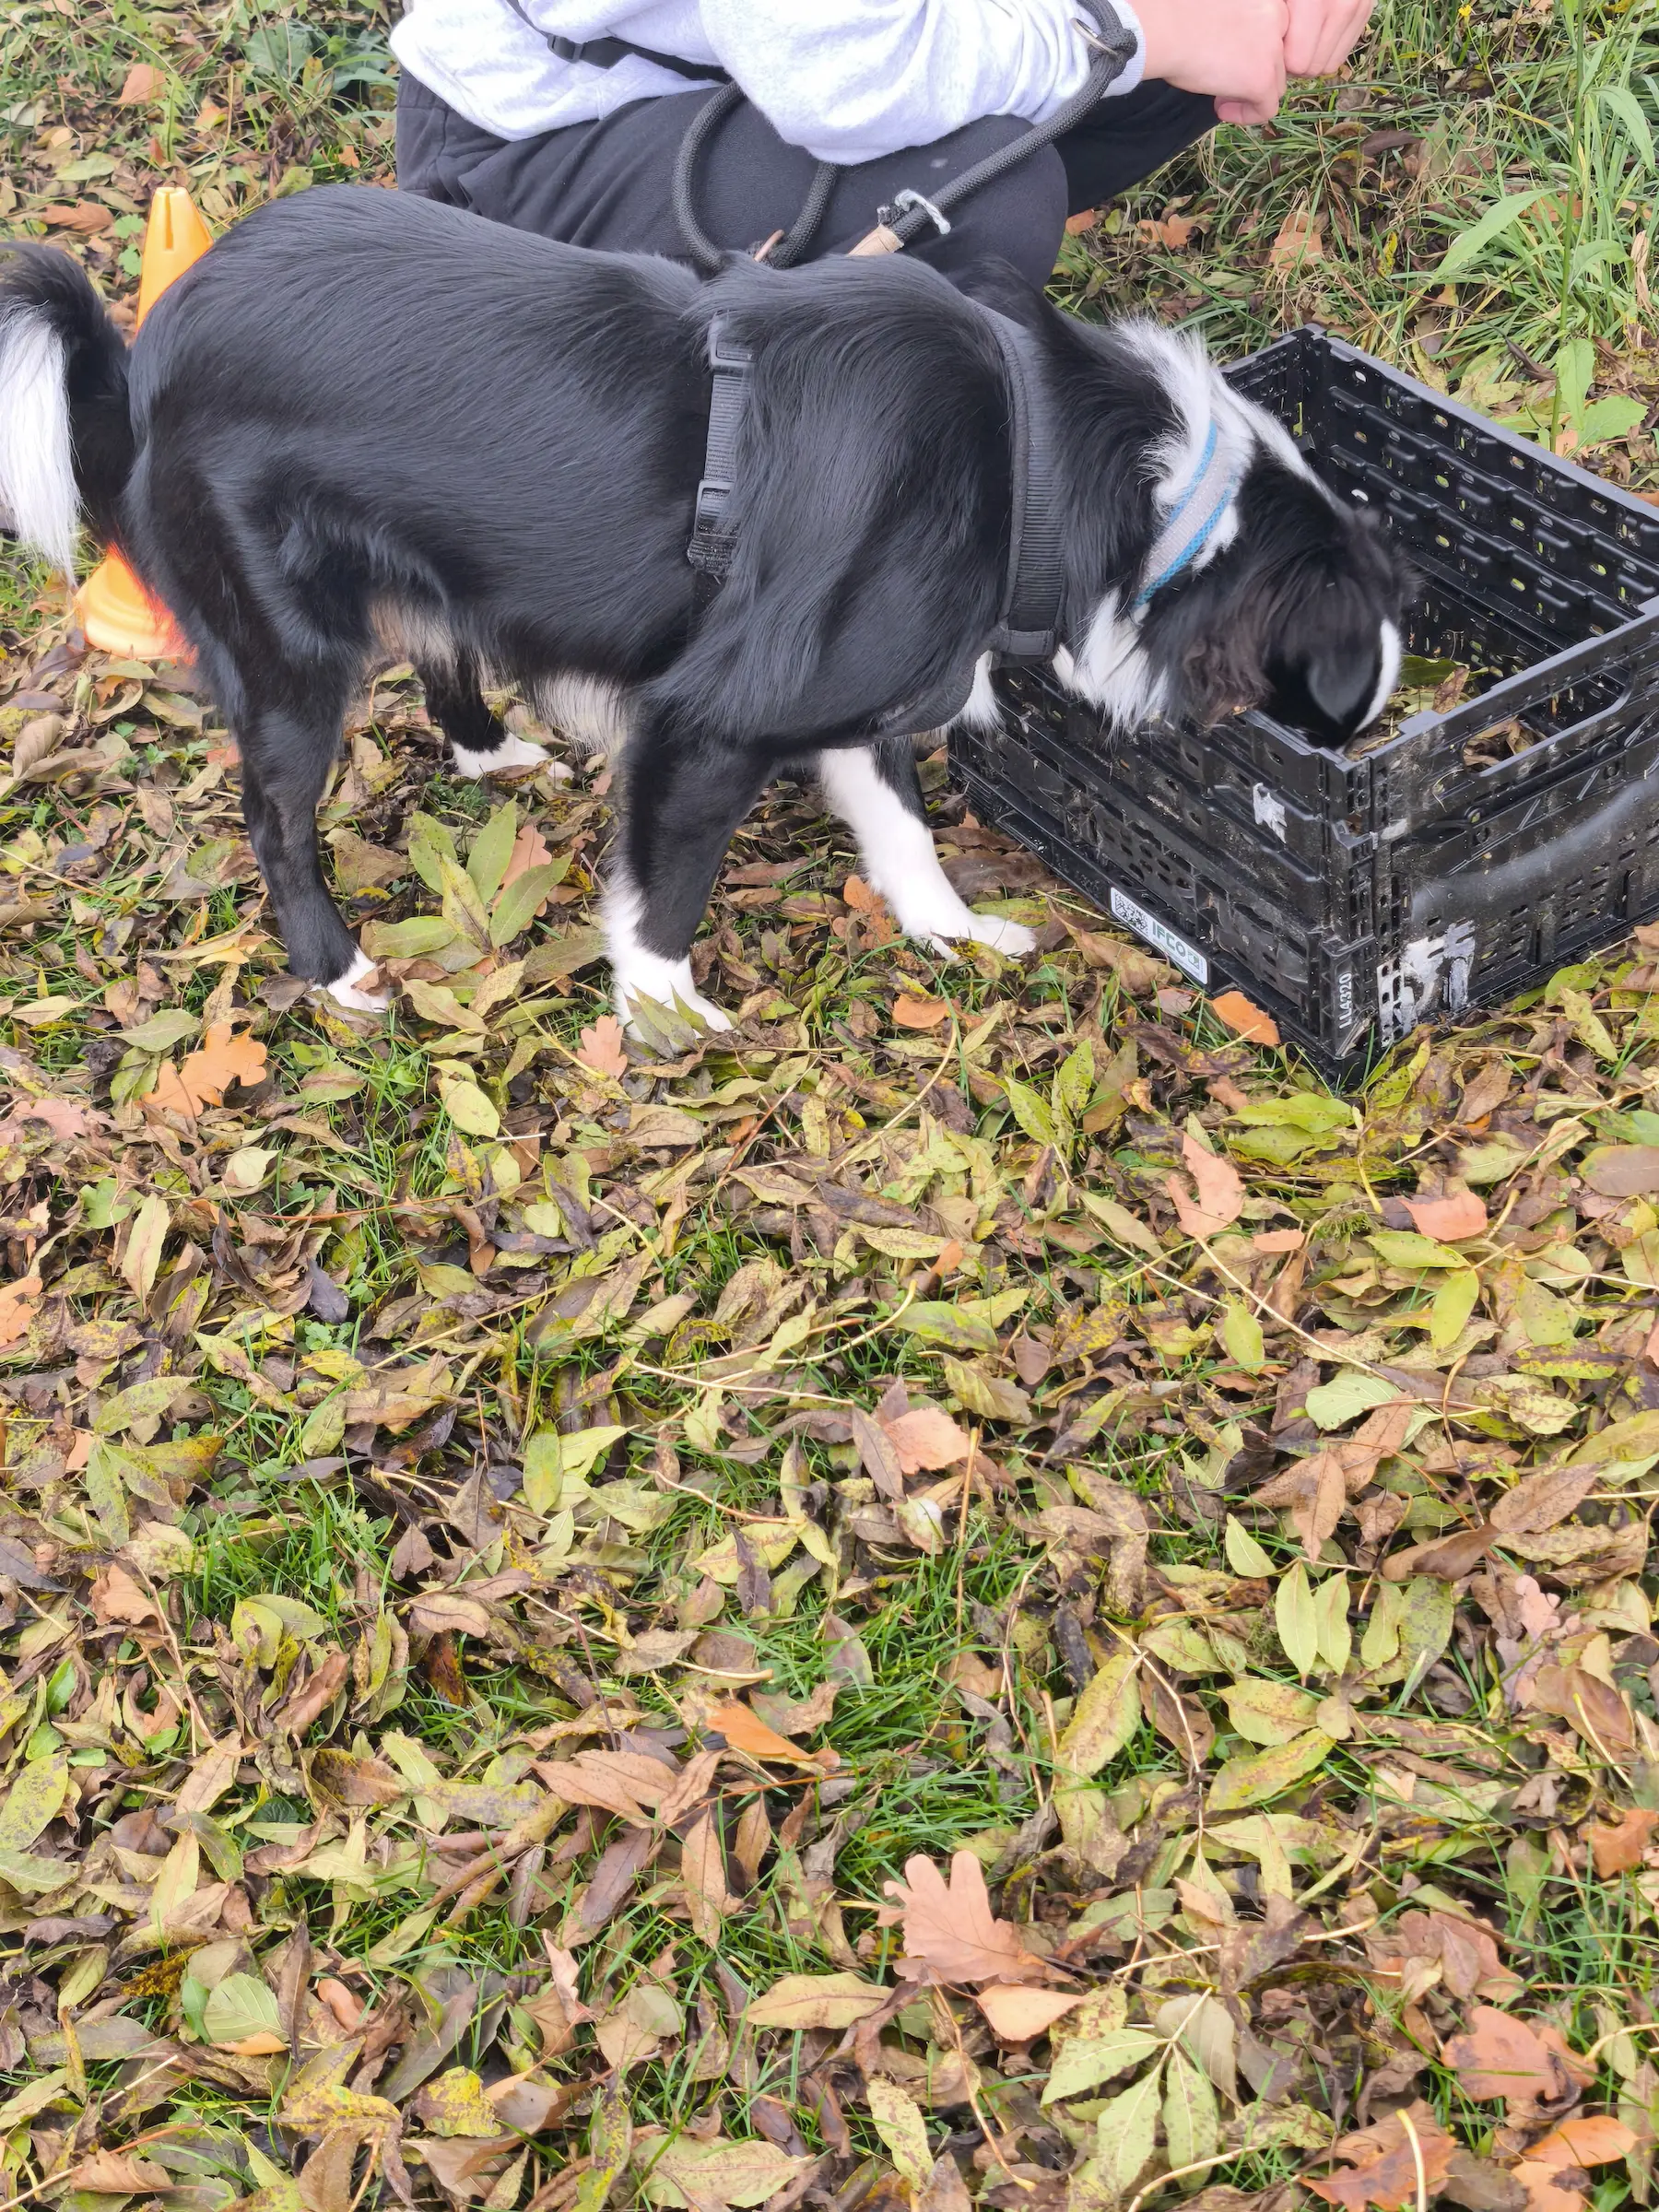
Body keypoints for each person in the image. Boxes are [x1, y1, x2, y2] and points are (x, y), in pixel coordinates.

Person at [393, 0, 1375, 292]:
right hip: (544, 146)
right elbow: (834, 71)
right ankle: (807, 558)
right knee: (980, 200)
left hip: (776, 61)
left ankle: (911, 323)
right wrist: (1138, 34)